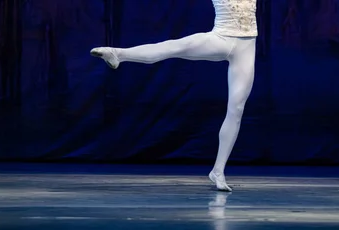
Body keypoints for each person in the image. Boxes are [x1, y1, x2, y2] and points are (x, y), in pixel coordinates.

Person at [91, 0, 257, 192]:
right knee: (173, 47)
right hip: (220, 39)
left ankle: (218, 171)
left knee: (236, 109)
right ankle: (118, 54)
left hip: (246, 48)